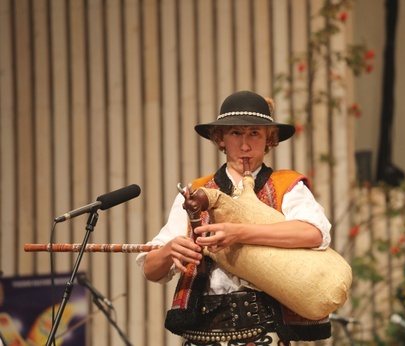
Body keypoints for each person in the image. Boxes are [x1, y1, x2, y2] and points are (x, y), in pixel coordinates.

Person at [136, 90, 332, 345]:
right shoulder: (195, 192)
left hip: (265, 330)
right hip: (203, 332)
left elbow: (314, 233)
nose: (245, 145)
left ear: (268, 139)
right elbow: (151, 270)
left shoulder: (286, 185)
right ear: (221, 138)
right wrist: (169, 251)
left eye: (254, 133)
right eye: (236, 133)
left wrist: (239, 233)